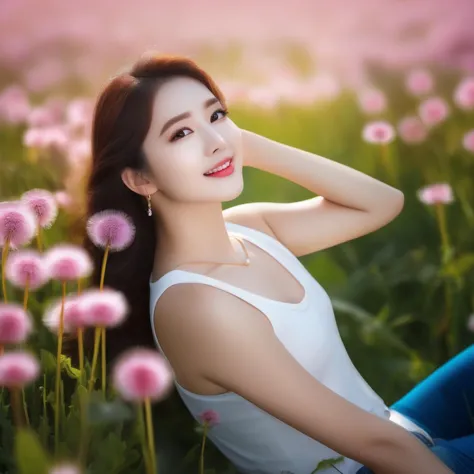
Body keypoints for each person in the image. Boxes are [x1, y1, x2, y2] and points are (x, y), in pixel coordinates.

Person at [83, 52, 473, 474]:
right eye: (180, 134)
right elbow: (378, 447)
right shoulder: (195, 307)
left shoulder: (250, 228)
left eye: (216, 115)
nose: (215, 141)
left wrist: (243, 145)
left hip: (395, 429)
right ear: (141, 178)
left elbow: (382, 203)